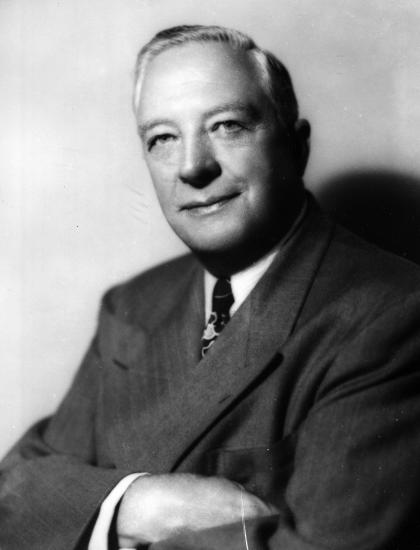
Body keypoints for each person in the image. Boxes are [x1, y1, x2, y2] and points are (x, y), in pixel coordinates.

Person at [1, 24, 420, 550]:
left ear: (297, 147)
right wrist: (140, 503)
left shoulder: (393, 315)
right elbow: (14, 494)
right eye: (162, 139)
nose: (192, 166)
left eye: (226, 126)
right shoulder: (132, 305)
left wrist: (89, 512)